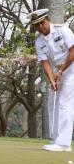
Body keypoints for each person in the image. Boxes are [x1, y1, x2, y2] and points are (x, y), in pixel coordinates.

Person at [30, 9, 74, 152]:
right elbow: (45, 63)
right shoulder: (39, 42)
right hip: (58, 71)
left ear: (47, 19)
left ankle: (64, 143)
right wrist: (51, 80)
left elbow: (73, 51)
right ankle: (56, 139)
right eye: (36, 25)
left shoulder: (63, 31)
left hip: (71, 69)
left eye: (42, 23)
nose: (40, 27)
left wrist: (61, 71)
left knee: (64, 104)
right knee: (52, 103)